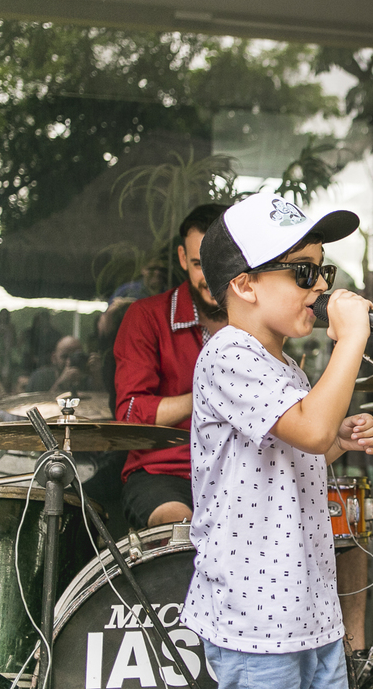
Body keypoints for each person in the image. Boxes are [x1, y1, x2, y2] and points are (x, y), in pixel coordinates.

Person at [182, 192, 373, 688]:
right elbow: (310, 429)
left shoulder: (286, 365)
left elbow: (301, 450)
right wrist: (353, 338)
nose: (321, 286)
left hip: (308, 610)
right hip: (256, 620)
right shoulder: (228, 353)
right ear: (245, 284)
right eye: (303, 272)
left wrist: (339, 442)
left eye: (322, 270)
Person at [114, 203, 229, 530]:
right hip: (164, 474)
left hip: (241, 473)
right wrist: (206, 396)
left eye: (220, 264)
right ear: (182, 258)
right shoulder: (146, 316)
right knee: (179, 532)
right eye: (199, 264)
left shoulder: (258, 321)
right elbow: (130, 413)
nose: (210, 277)